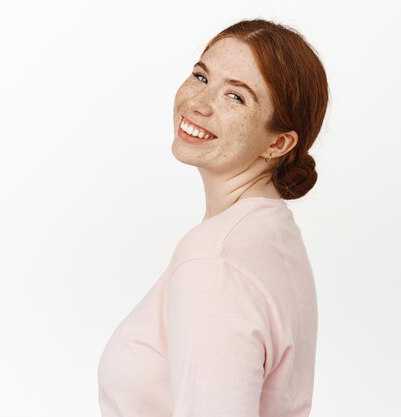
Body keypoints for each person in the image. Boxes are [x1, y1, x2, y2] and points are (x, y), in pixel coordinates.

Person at [97, 18, 329, 417]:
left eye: (235, 97)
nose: (198, 104)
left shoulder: (214, 261)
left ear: (278, 142)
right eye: (201, 77)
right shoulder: (274, 234)